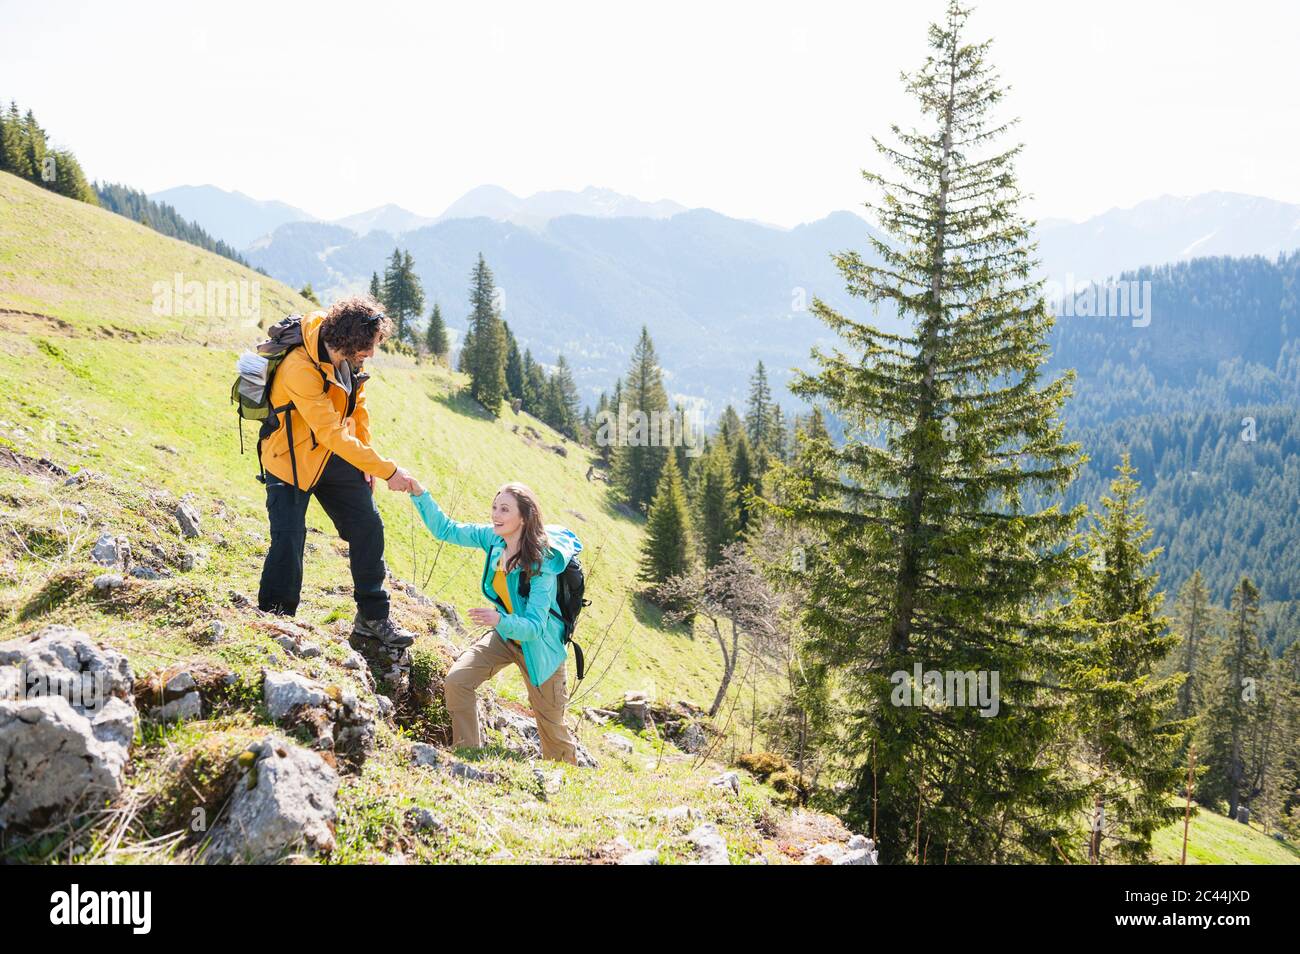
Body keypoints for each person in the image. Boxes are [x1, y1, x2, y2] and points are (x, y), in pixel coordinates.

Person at [256, 295, 419, 648]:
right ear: (348, 340)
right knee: (288, 538)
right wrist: (389, 470)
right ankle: (275, 621)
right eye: (368, 347)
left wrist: (367, 464)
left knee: (368, 526)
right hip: (289, 459)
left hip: (332, 455)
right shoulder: (300, 366)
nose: (372, 354)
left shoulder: (346, 357)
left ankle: (373, 617)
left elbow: (356, 408)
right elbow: (328, 430)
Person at [407, 479, 581, 764]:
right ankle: (467, 757)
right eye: (494, 507)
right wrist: (419, 493)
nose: (495, 515)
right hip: (504, 636)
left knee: (553, 732)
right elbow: (446, 529)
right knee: (457, 682)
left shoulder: (542, 564)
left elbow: (535, 627)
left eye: (504, 510)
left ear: (523, 518)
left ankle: (568, 788)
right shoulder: (494, 540)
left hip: (539, 649)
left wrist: (499, 618)